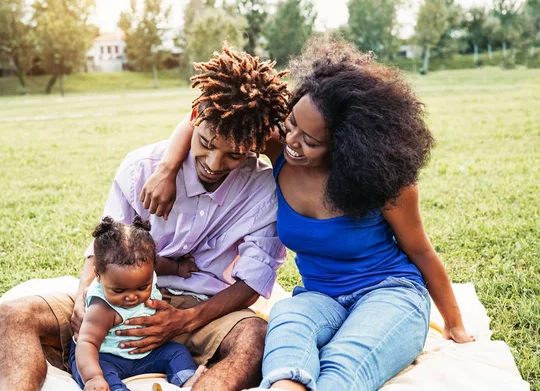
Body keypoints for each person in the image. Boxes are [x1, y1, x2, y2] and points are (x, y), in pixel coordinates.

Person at [139, 36, 475, 391]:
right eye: (291, 123)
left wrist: (454, 324)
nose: (292, 140)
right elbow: (209, 116)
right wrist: (166, 169)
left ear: (348, 144)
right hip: (319, 298)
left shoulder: (386, 181)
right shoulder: (280, 147)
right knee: (286, 325)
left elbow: (421, 251)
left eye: (310, 141)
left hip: (390, 292)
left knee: (343, 363)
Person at [0, 44, 290, 391]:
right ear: (194, 117)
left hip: (203, 308)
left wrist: (185, 319)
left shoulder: (263, 189)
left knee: (255, 337)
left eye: (234, 155)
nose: (213, 162)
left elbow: (252, 281)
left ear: (253, 146)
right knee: (14, 314)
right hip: (117, 298)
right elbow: (105, 242)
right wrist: (82, 293)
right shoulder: (142, 168)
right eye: (206, 142)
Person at [71, 216, 205, 391]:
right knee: (104, 378)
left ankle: (187, 381)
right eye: (119, 291)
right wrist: (93, 377)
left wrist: (178, 268)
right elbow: (86, 343)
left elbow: (158, 265)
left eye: (142, 287)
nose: (132, 297)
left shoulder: (142, 270)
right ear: (98, 275)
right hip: (103, 357)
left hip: (145, 356)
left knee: (176, 352)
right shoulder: (102, 308)